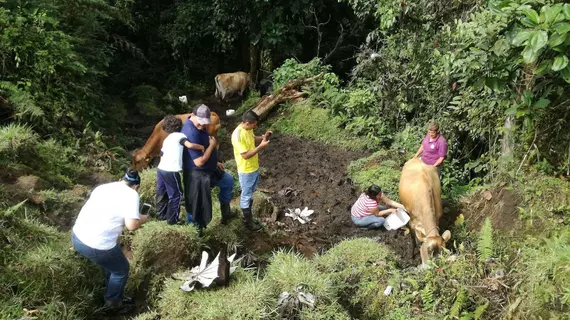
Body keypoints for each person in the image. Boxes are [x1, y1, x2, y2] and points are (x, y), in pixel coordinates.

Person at [71, 170, 149, 314]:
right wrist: (143, 218)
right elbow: (131, 226)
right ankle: (113, 304)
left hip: (77, 237)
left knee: (113, 261)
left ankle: (112, 290)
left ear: (121, 179)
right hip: (96, 245)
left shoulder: (103, 188)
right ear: (136, 186)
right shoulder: (132, 194)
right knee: (121, 270)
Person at [181, 104, 234, 232]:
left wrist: (215, 161)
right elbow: (199, 162)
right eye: (200, 123)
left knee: (228, 180)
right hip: (196, 174)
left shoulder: (199, 125)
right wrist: (212, 146)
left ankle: (226, 213)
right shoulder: (190, 133)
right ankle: (194, 231)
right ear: (192, 116)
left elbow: (205, 143)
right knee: (196, 203)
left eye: (205, 123)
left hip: (209, 169)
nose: (203, 126)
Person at [156, 115, 204, 225]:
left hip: (161, 169)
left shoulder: (167, 139)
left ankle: (161, 215)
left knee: (161, 193)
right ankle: (173, 219)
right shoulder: (180, 136)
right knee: (176, 195)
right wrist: (201, 147)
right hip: (171, 170)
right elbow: (190, 145)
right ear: (179, 125)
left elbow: (161, 154)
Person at [231, 110, 270, 231]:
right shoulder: (237, 135)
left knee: (250, 193)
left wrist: (263, 137)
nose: (255, 126)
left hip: (254, 167)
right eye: (254, 124)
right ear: (247, 123)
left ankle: (249, 217)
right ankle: (247, 222)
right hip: (245, 170)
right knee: (246, 195)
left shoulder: (248, 130)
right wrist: (260, 147)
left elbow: (253, 139)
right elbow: (245, 155)